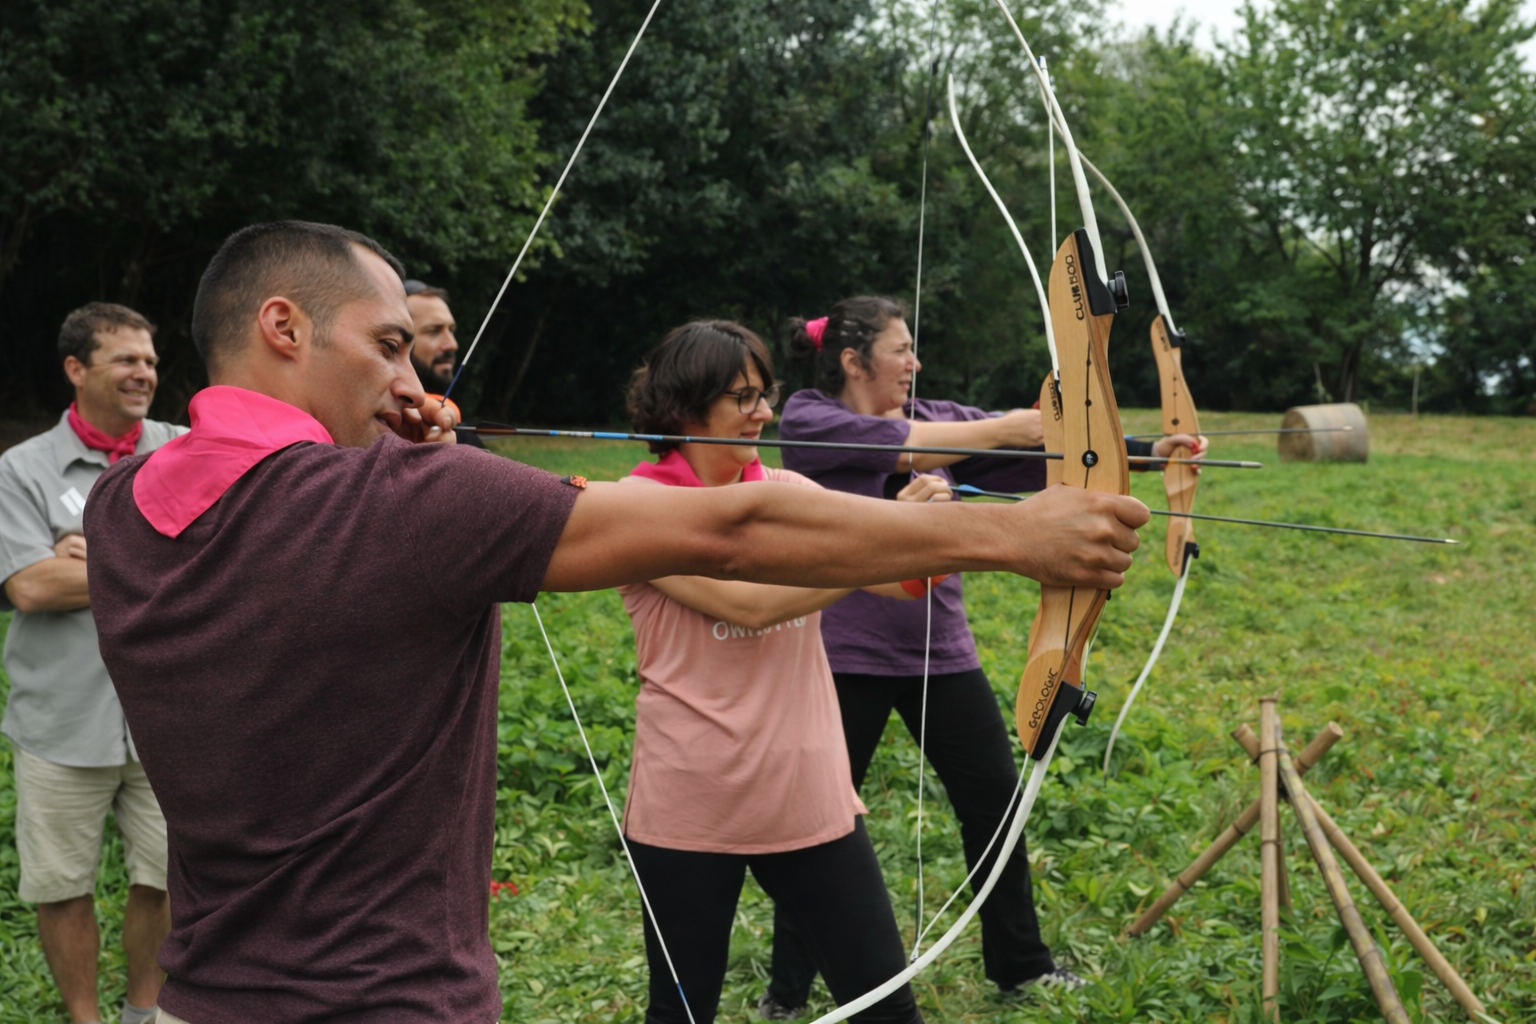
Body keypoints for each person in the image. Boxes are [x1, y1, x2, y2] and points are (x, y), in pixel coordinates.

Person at [82, 220, 1150, 1024]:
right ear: (285, 326)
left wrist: (419, 459)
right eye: (391, 345)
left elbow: (327, 562)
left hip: (204, 997)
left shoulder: (123, 508)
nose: (412, 378)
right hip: (390, 1001)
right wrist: (1013, 537)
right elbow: (732, 534)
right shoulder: (404, 507)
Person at [760, 296, 1206, 1014]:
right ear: (852, 360)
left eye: (913, 350)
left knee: (995, 807)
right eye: (901, 349)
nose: (914, 362)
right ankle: (787, 991)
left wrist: (1157, 454)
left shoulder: (945, 419)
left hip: (943, 653)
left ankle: (1021, 965)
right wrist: (1015, 423)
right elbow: (901, 447)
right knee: (819, 823)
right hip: (844, 656)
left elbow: (1050, 462)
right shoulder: (809, 417)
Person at [616, 321, 957, 1024]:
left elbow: (899, 582)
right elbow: (750, 603)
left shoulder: (786, 489)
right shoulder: (637, 508)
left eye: (763, 394)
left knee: (886, 1010)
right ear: (686, 408)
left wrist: (922, 534)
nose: (763, 412)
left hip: (807, 793)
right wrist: (876, 545)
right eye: (742, 397)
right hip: (690, 802)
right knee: (678, 1016)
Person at [0, 303, 181, 1024]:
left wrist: (94, 552)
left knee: (168, 877)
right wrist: (157, 557)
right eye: (126, 361)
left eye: (151, 361)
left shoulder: (185, 450)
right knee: (60, 885)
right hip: (60, 720)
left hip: (170, 719)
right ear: (76, 370)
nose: (145, 375)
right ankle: (85, 1020)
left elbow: (224, 561)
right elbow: (31, 587)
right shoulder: (21, 469)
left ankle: (144, 1013)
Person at [403, 278, 485, 447]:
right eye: (434, 331)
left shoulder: (463, 437)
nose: (452, 345)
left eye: (451, 330)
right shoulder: (375, 427)